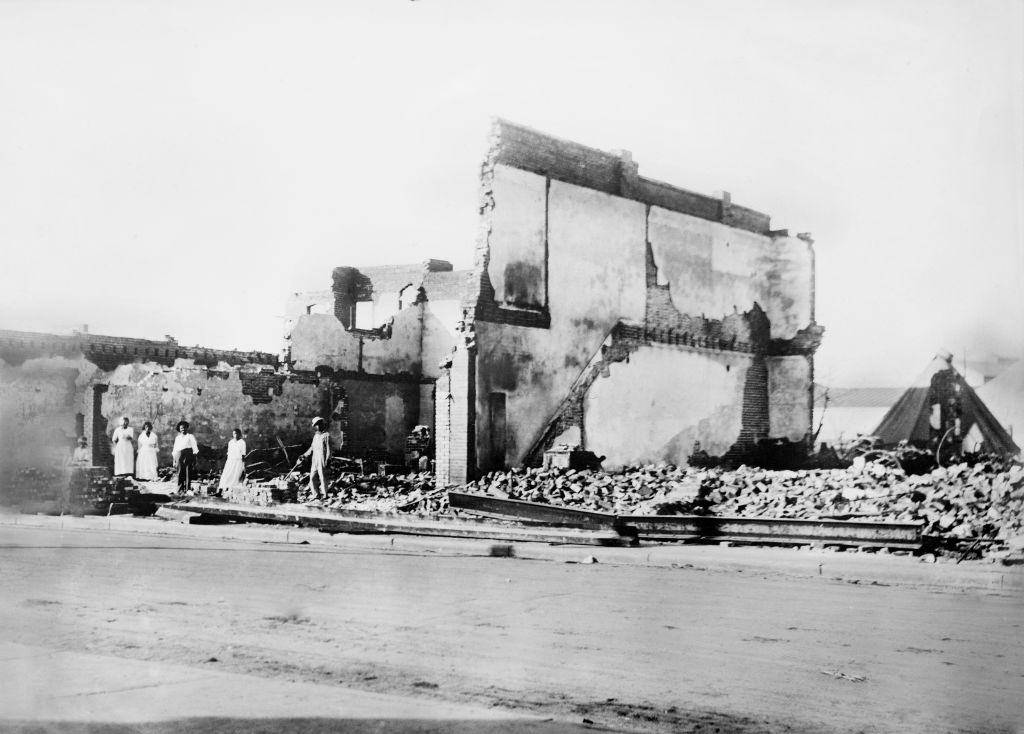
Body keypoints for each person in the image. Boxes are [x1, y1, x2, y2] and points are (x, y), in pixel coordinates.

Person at [302, 417, 330, 500]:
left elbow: (329, 450)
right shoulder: (316, 435)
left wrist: (327, 460)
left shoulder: (326, 435)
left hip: (322, 458)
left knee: (322, 477)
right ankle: (316, 495)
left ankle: (325, 495)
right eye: (315, 425)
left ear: (321, 424)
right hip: (315, 459)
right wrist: (304, 455)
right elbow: (312, 447)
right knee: (312, 477)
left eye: (318, 424)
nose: (317, 427)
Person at [171, 420, 199, 494]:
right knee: (180, 472)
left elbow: (194, 447)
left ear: (187, 428)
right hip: (179, 455)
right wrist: (174, 460)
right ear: (179, 429)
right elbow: (175, 449)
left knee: (188, 472)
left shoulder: (190, 436)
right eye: (181, 428)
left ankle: (187, 489)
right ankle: (180, 489)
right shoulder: (178, 438)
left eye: (184, 428)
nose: (183, 429)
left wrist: (195, 458)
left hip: (188, 455)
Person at [218, 428, 247, 493]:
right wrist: (227, 462)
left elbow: (243, 455)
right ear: (233, 434)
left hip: (238, 462)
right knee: (225, 476)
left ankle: (230, 492)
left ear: (239, 434)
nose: (235, 435)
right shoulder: (230, 442)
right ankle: (220, 491)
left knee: (235, 478)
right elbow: (229, 453)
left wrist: (243, 465)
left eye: (237, 433)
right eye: (234, 433)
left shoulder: (242, 442)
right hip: (230, 461)